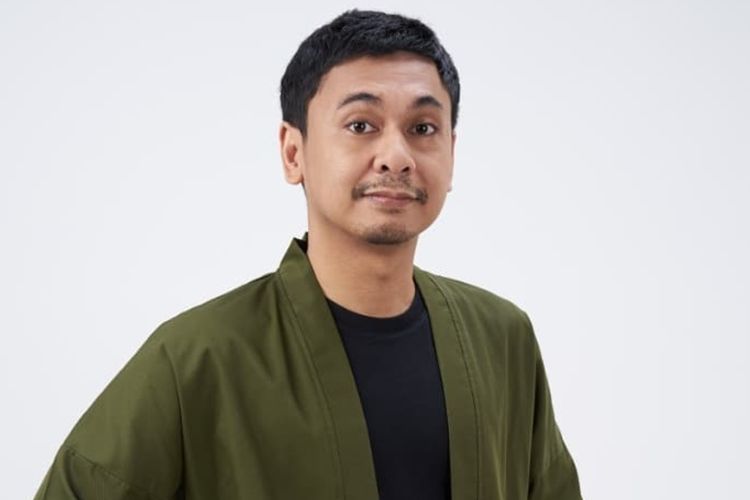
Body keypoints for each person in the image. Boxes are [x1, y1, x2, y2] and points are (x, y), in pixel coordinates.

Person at [34, 9, 582, 500]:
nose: (396, 156)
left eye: (423, 128)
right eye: (361, 125)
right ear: (293, 152)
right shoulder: (198, 358)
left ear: (452, 154)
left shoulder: (502, 339)